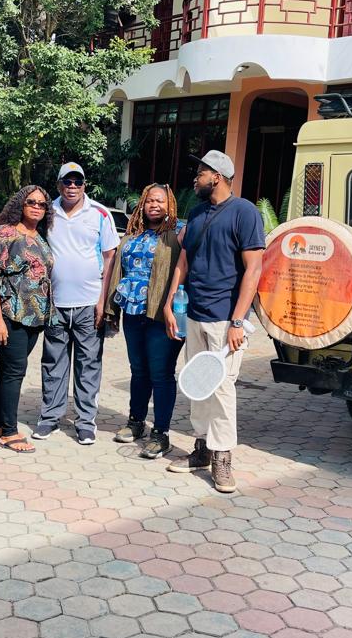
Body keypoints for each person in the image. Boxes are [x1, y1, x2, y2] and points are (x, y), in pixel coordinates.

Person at [163, 151, 264, 493]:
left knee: (221, 390)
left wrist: (238, 321)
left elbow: (254, 269)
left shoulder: (244, 212)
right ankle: (203, 447)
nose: (196, 177)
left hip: (225, 319)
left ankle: (223, 457)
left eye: (201, 172)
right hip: (195, 313)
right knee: (198, 383)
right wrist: (168, 301)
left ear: (217, 176)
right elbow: (184, 260)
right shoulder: (197, 212)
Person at [34, 162, 120, 445]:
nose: (72, 187)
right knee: (54, 364)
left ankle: (85, 422)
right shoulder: (48, 212)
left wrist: (101, 301)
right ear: (58, 185)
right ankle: (49, 418)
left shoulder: (99, 214)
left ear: (85, 185)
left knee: (89, 365)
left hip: (88, 304)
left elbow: (109, 257)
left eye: (78, 182)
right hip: (55, 303)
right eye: (67, 182)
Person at [104, 184, 185, 459]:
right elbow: (118, 271)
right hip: (133, 313)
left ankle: (160, 433)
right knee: (138, 369)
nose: (154, 205)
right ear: (142, 204)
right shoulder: (132, 235)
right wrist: (111, 310)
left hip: (163, 315)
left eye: (160, 201)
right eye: (149, 200)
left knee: (161, 373)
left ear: (169, 206)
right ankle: (135, 422)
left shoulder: (177, 236)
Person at [0, 186, 57, 454]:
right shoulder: (4, 233)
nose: (37, 207)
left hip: (35, 317)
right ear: (20, 203)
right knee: (15, 370)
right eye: (31, 202)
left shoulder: (39, 237)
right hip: (10, 315)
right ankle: (9, 431)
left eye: (42, 204)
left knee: (9, 369)